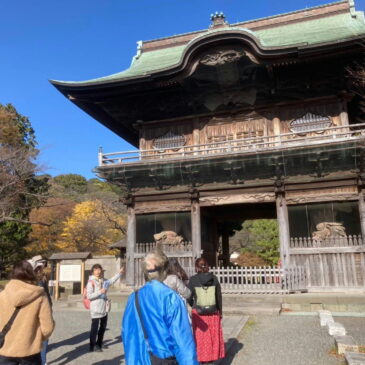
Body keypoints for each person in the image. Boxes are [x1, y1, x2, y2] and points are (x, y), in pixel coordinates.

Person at [122, 249, 198, 365]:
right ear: (164, 270)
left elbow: (128, 334)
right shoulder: (170, 298)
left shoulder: (133, 298)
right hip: (163, 359)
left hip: (139, 359)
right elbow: (182, 340)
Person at [0, 261, 55, 365]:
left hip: (5, 348)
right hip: (30, 351)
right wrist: (35, 339)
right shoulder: (40, 295)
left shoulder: (2, 294)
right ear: (31, 274)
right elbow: (48, 328)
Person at [188, 258, 225, 364]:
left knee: (201, 338)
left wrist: (193, 306)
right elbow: (218, 297)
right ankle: (212, 358)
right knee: (213, 337)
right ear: (207, 265)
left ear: (197, 267)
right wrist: (220, 312)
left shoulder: (193, 280)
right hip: (213, 312)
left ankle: (202, 359)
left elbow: (189, 297)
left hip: (199, 313)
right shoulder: (214, 278)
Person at [87, 264, 124, 352]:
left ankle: (99, 343)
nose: (98, 271)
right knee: (94, 328)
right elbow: (89, 296)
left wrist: (119, 274)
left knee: (103, 327)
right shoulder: (91, 282)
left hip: (104, 307)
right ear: (93, 271)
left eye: (99, 269)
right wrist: (100, 292)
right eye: (96, 270)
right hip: (95, 307)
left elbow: (111, 281)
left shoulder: (103, 281)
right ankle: (92, 345)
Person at [27, 256, 52, 365]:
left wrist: (49, 308)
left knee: (44, 339)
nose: (42, 267)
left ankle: (42, 361)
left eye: (44, 264)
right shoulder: (30, 280)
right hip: (33, 313)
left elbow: (46, 296)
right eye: (40, 265)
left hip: (43, 311)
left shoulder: (43, 278)